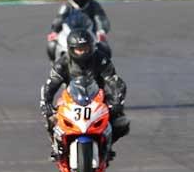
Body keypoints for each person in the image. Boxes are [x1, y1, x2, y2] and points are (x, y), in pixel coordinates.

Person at [40, 29, 129, 161]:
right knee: (51, 118)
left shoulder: (100, 59)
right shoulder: (62, 63)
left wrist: (117, 101)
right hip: (70, 97)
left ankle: (107, 146)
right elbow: (50, 85)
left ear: (91, 47)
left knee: (121, 121)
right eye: (78, 49)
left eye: (85, 48)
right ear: (71, 49)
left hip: (98, 96)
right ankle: (56, 147)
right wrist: (45, 102)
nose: (82, 52)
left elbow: (114, 81)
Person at [47, 0, 111, 61]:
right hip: (68, 32)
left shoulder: (94, 5)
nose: (80, 1)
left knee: (104, 47)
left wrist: (101, 31)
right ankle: (55, 67)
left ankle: (104, 68)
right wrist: (54, 31)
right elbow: (59, 18)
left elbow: (101, 18)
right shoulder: (66, 6)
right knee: (52, 45)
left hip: (90, 31)